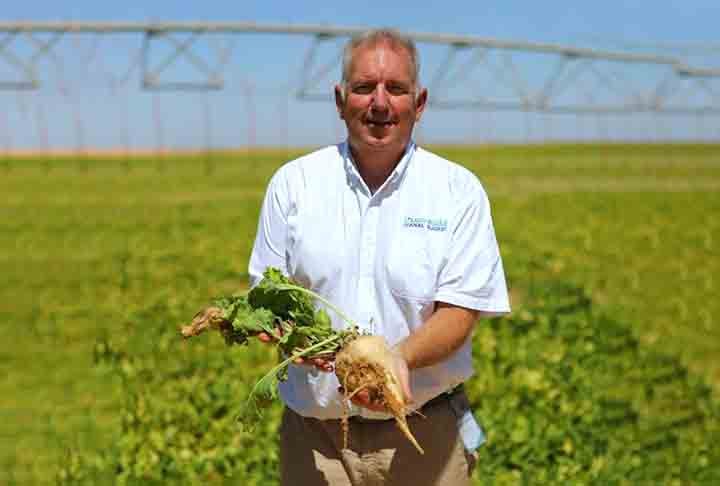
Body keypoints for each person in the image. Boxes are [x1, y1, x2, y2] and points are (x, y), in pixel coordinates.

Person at [248, 28, 510, 486]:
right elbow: (267, 301)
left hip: (425, 440)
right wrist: (290, 336)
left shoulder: (457, 192)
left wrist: (396, 361)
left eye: (396, 89)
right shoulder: (293, 185)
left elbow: (461, 312)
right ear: (340, 98)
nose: (380, 103)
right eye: (365, 87)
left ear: (420, 102)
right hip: (316, 441)